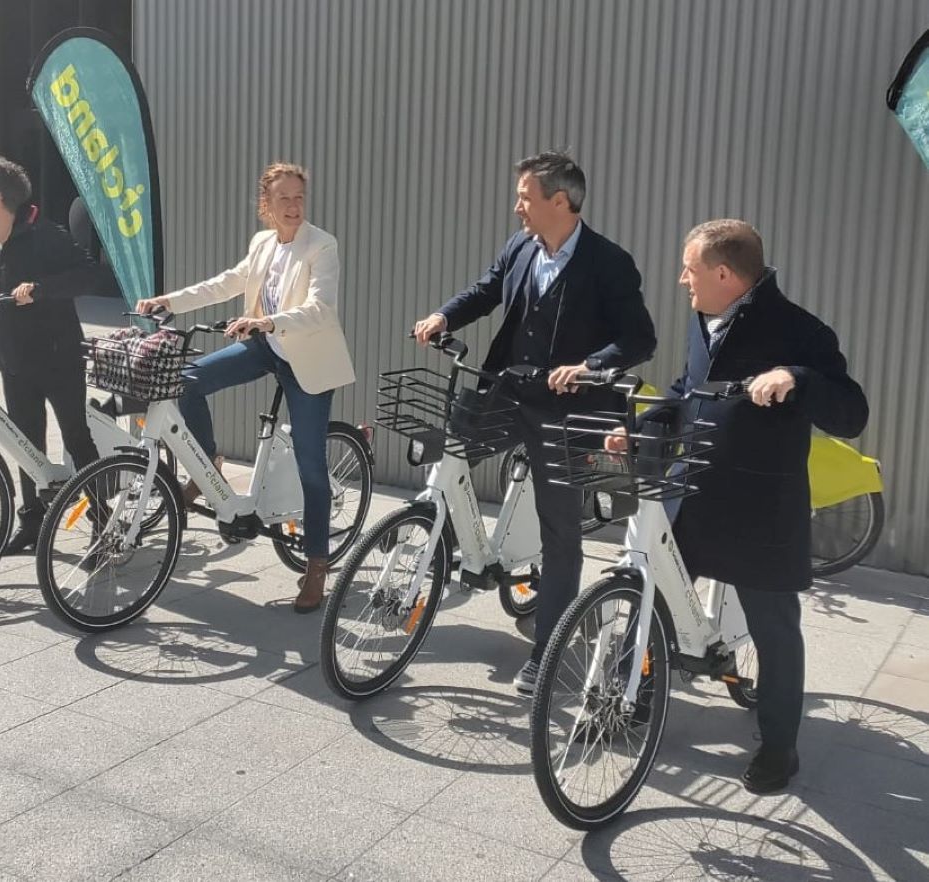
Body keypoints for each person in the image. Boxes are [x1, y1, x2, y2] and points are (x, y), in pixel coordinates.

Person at [611, 219, 868, 793]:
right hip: (696, 490)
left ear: (725, 274)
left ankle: (779, 749)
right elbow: (687, 389)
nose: (682, 280)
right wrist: (643, 428)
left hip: (761, 505)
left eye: (690, 269)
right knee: (653, 594)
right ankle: (637, 693)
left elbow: (851, 412)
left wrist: (794, 377)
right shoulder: (705, 317)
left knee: (775, 629)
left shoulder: (801, 330)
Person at [412, 151, 656, 695]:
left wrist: (591, 366)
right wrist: (445, 315)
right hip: (507, 389)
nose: (517, 206)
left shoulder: (608, 262)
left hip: (568, 413)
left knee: (560, 532)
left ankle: (546, 652)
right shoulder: (521, 245)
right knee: (448, 452)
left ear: (561, 202)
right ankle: (448, 540)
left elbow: (639, 339)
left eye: (526, 196)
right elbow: (488, 288)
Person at [135, 162, 355, 613]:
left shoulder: (321, 245)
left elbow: (321, 309)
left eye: (299, 198)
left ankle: (316, 565)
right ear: (266, 206)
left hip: (308, 359)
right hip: (267, 346)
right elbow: (226, 283)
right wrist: (168, 301)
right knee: (186, 381)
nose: (293, 206)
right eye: (283, 199)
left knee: (312, 467)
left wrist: (269, 320)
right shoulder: (262, 243)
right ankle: (208, 462)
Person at [0, 154, 118, 554]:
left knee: (76, 437)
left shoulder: (46, 235)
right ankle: (34, 523)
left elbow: (88, 274)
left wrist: (39, 289)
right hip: (14, 357)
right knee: (26, 442)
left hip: (57, 354)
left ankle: (102, 523)